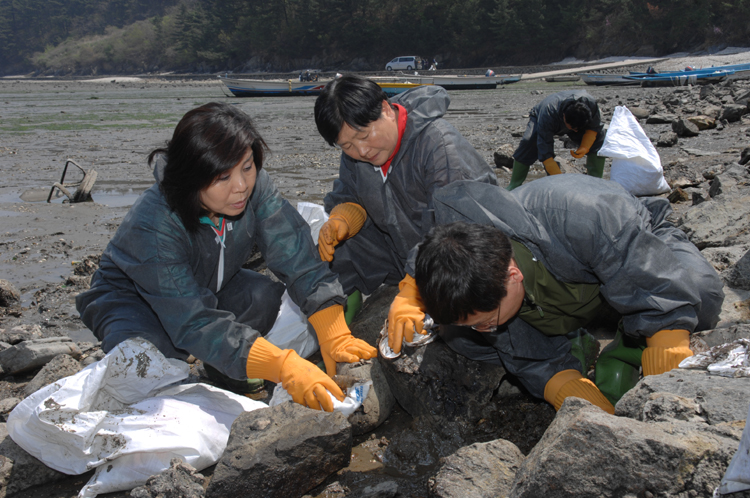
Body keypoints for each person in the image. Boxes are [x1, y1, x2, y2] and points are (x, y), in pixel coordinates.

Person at [76, 102, 376, 412]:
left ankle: (227, 373)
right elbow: (193, 321)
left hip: (207, 282)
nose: (241, 186)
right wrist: (282, 365)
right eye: (222, 177)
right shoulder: (155, 223)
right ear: (192, 177)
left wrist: (333, 331)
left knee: (261, 297)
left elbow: (294, 252)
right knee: (149, 366)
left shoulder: (254, 187)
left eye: (247, 166)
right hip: (132, 298)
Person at [388, 176, 724, 414]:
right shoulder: (473, 269)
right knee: (463, 338)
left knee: (700, 297)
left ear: (512, 276)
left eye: (487, 321)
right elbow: (426, 253)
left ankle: (625, 345)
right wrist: (565, 388)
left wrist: (666, 348)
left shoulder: (587, 217)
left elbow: (651, 281)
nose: (485, 328)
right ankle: (577, 345)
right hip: (563, 300)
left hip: (633, 250)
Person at [312, 74, 497, 336]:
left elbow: (453, 228)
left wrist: (413, 286)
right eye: (347, 145)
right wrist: (342, 219)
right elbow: (348, 194)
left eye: (364, 136)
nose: (361, 152)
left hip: (458, 252)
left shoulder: (437, 144)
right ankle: (342, 323)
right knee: (334, 243)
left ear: (386, 109)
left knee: (458, 331)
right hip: (399, 251)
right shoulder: (355, 156)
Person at [507, 90, 606, 190]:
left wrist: (585, 146)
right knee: (529, 141)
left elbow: (594, 127)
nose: (576, 131)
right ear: (564, 117)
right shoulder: (548, 112)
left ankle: (596, 184)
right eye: (573, 128)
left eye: (577, 129)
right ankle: (514, 185)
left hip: (575, 121)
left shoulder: (590, 103)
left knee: (599, 137)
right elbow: (545, 149)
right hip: (541, 117)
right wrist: (559, 178)